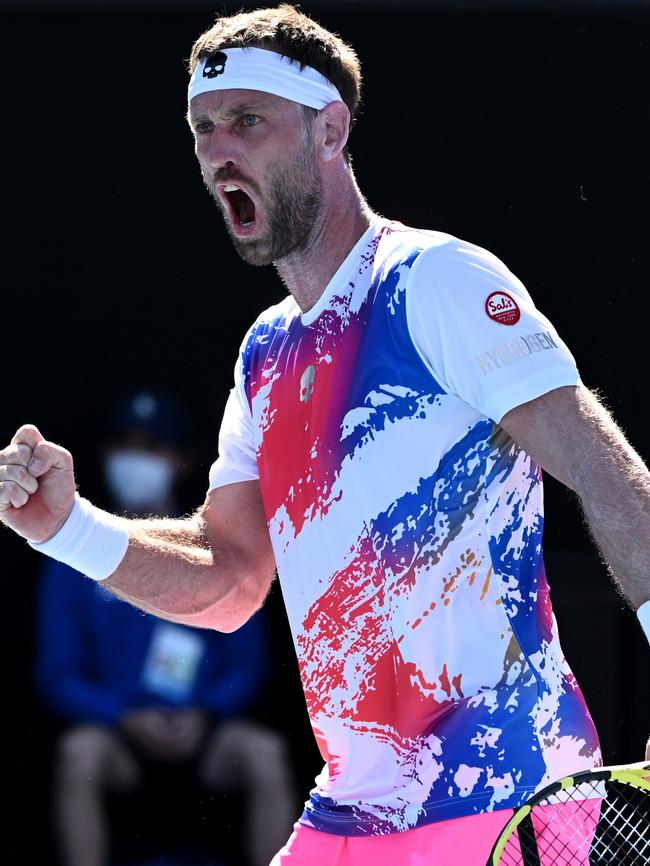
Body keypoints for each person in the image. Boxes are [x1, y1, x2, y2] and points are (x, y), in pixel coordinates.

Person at [1, 4, 649, 865]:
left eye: (248, 121)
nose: (218, 150)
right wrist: (67, 528)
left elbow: (601, 467)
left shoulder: (435, 281)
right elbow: (230, 582)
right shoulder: (265, 354)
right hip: (351, 811)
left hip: (498, 793)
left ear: (330, 130)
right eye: (202, 128)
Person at [32, 389, 296, 866]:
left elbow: (249, 662)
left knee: (264, 754)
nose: (138, 460)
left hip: (206, 734)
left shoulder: (212, 550)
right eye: (127, 446)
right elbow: (58, 672)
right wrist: (120, 716)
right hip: (118, 740)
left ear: (179, 460)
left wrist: (205, 711)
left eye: (153, 448)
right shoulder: (72, 552)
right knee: (78, 754)